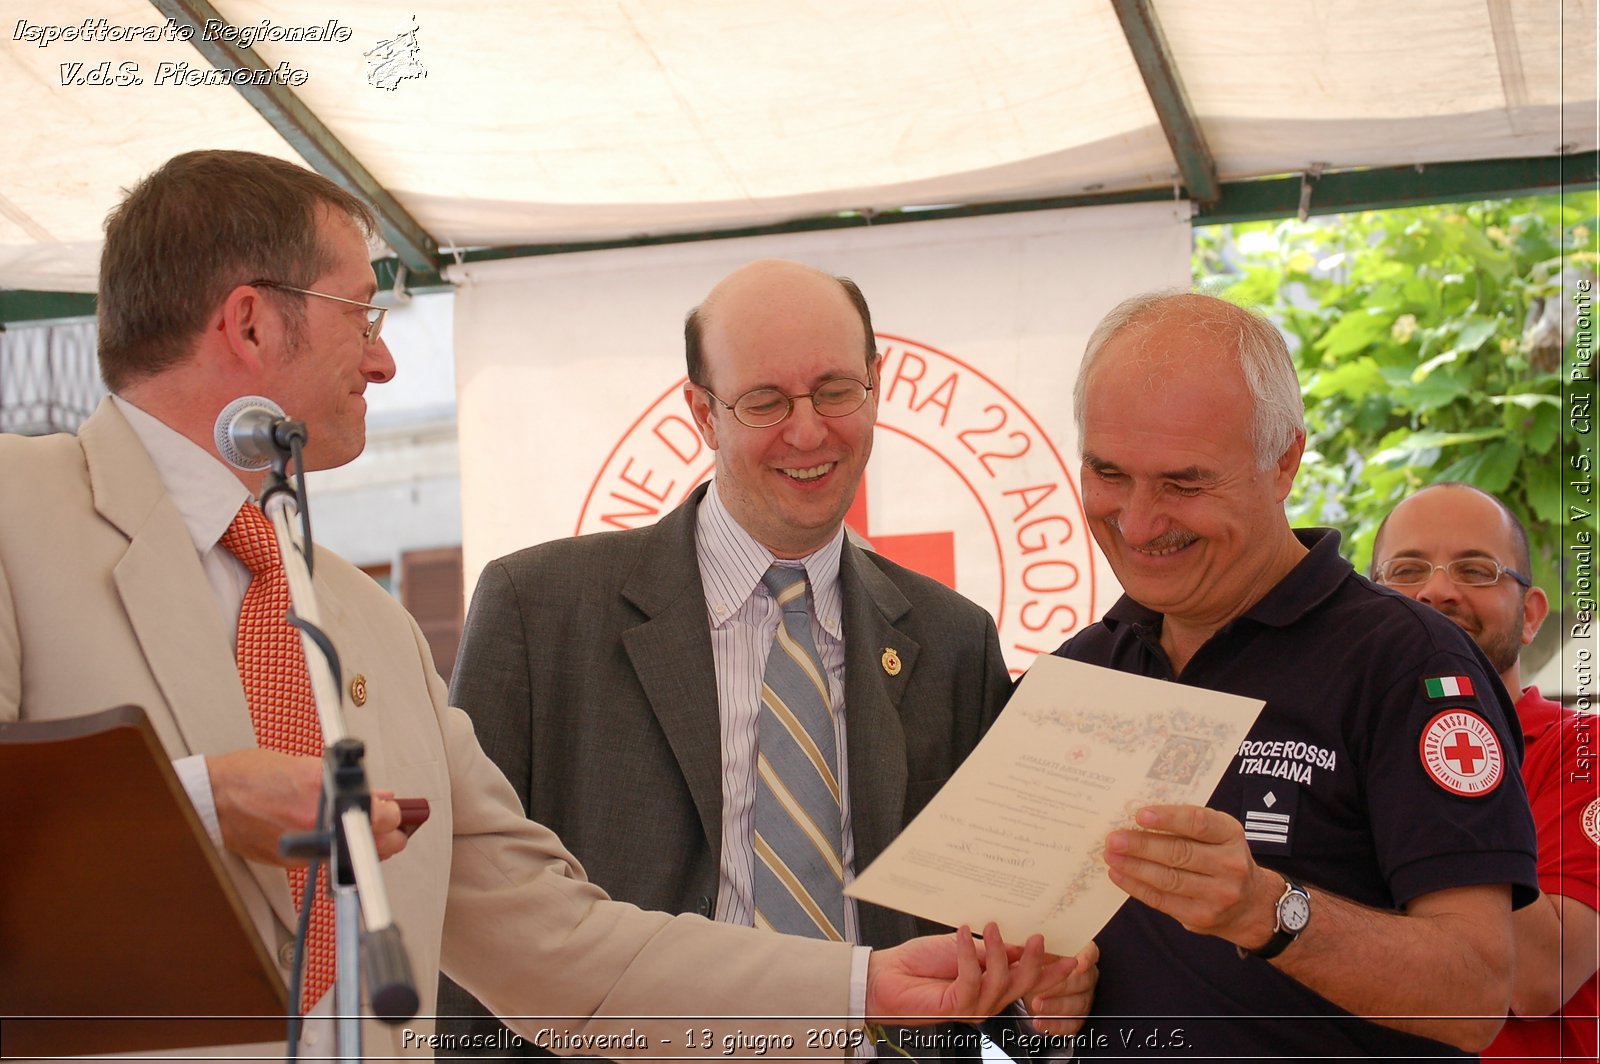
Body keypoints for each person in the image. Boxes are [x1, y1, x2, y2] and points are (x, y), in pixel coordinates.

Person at [0, 150, 1085, 1058]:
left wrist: (865, 985)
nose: (380, 357)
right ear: (247, 321)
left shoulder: (368, 629)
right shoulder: (16, 514)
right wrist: (191, 800)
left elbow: (567, 951)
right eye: (361, 311)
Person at [437, 258, 1090, 1057]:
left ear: (876, 384)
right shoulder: (539, 612)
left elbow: (993, 956)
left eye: (836, 390)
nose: (809, 432)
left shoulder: (954, 641)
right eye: (766, 402)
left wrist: (1045, 1012)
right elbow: (466, 925)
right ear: (701, 414)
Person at [1050, 291, 1540, 1057]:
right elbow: (1027, 989)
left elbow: (1475, 995)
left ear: (1284, 463)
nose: (1138, 522)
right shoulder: (1076, 673)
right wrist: (1035, 1008)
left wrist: (1267, 910)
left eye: (1183, 483)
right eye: (1109, 473)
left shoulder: (1409, 663)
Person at [1373, 483, 1599, 1061]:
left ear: (1530, 616)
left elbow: (1541, 981)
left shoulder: (1584, 750)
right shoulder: (1342, 751)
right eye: (1406, 570)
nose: (1437, 591)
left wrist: (1447, 740)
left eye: (1475, 571)